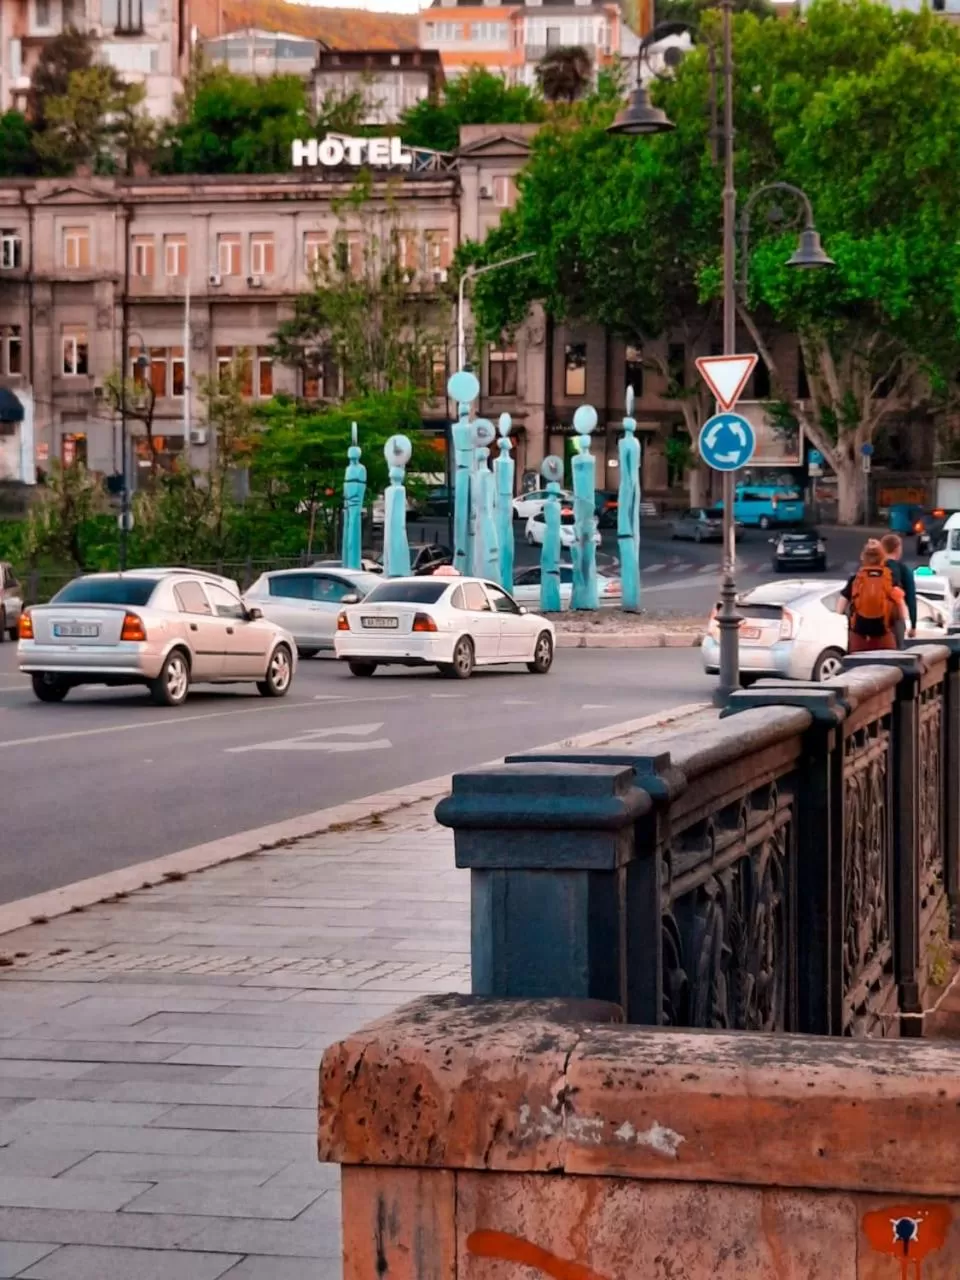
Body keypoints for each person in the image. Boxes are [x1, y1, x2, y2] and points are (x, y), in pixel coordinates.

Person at [836, 539, 906, 653]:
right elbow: (901, 609)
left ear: (863, 557)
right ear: (883, 557)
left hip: (859, 638)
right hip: (884, 638)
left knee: (858, 668)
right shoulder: (890, 579)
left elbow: (839, 610)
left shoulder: (855, 580)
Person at [880, 532, 917, 648]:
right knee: (896, 653)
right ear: (897, 548)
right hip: (894, 619)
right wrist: (913, 625)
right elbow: (911, 599)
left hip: (871, 618)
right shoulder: (903, 569)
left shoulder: (874, 567)